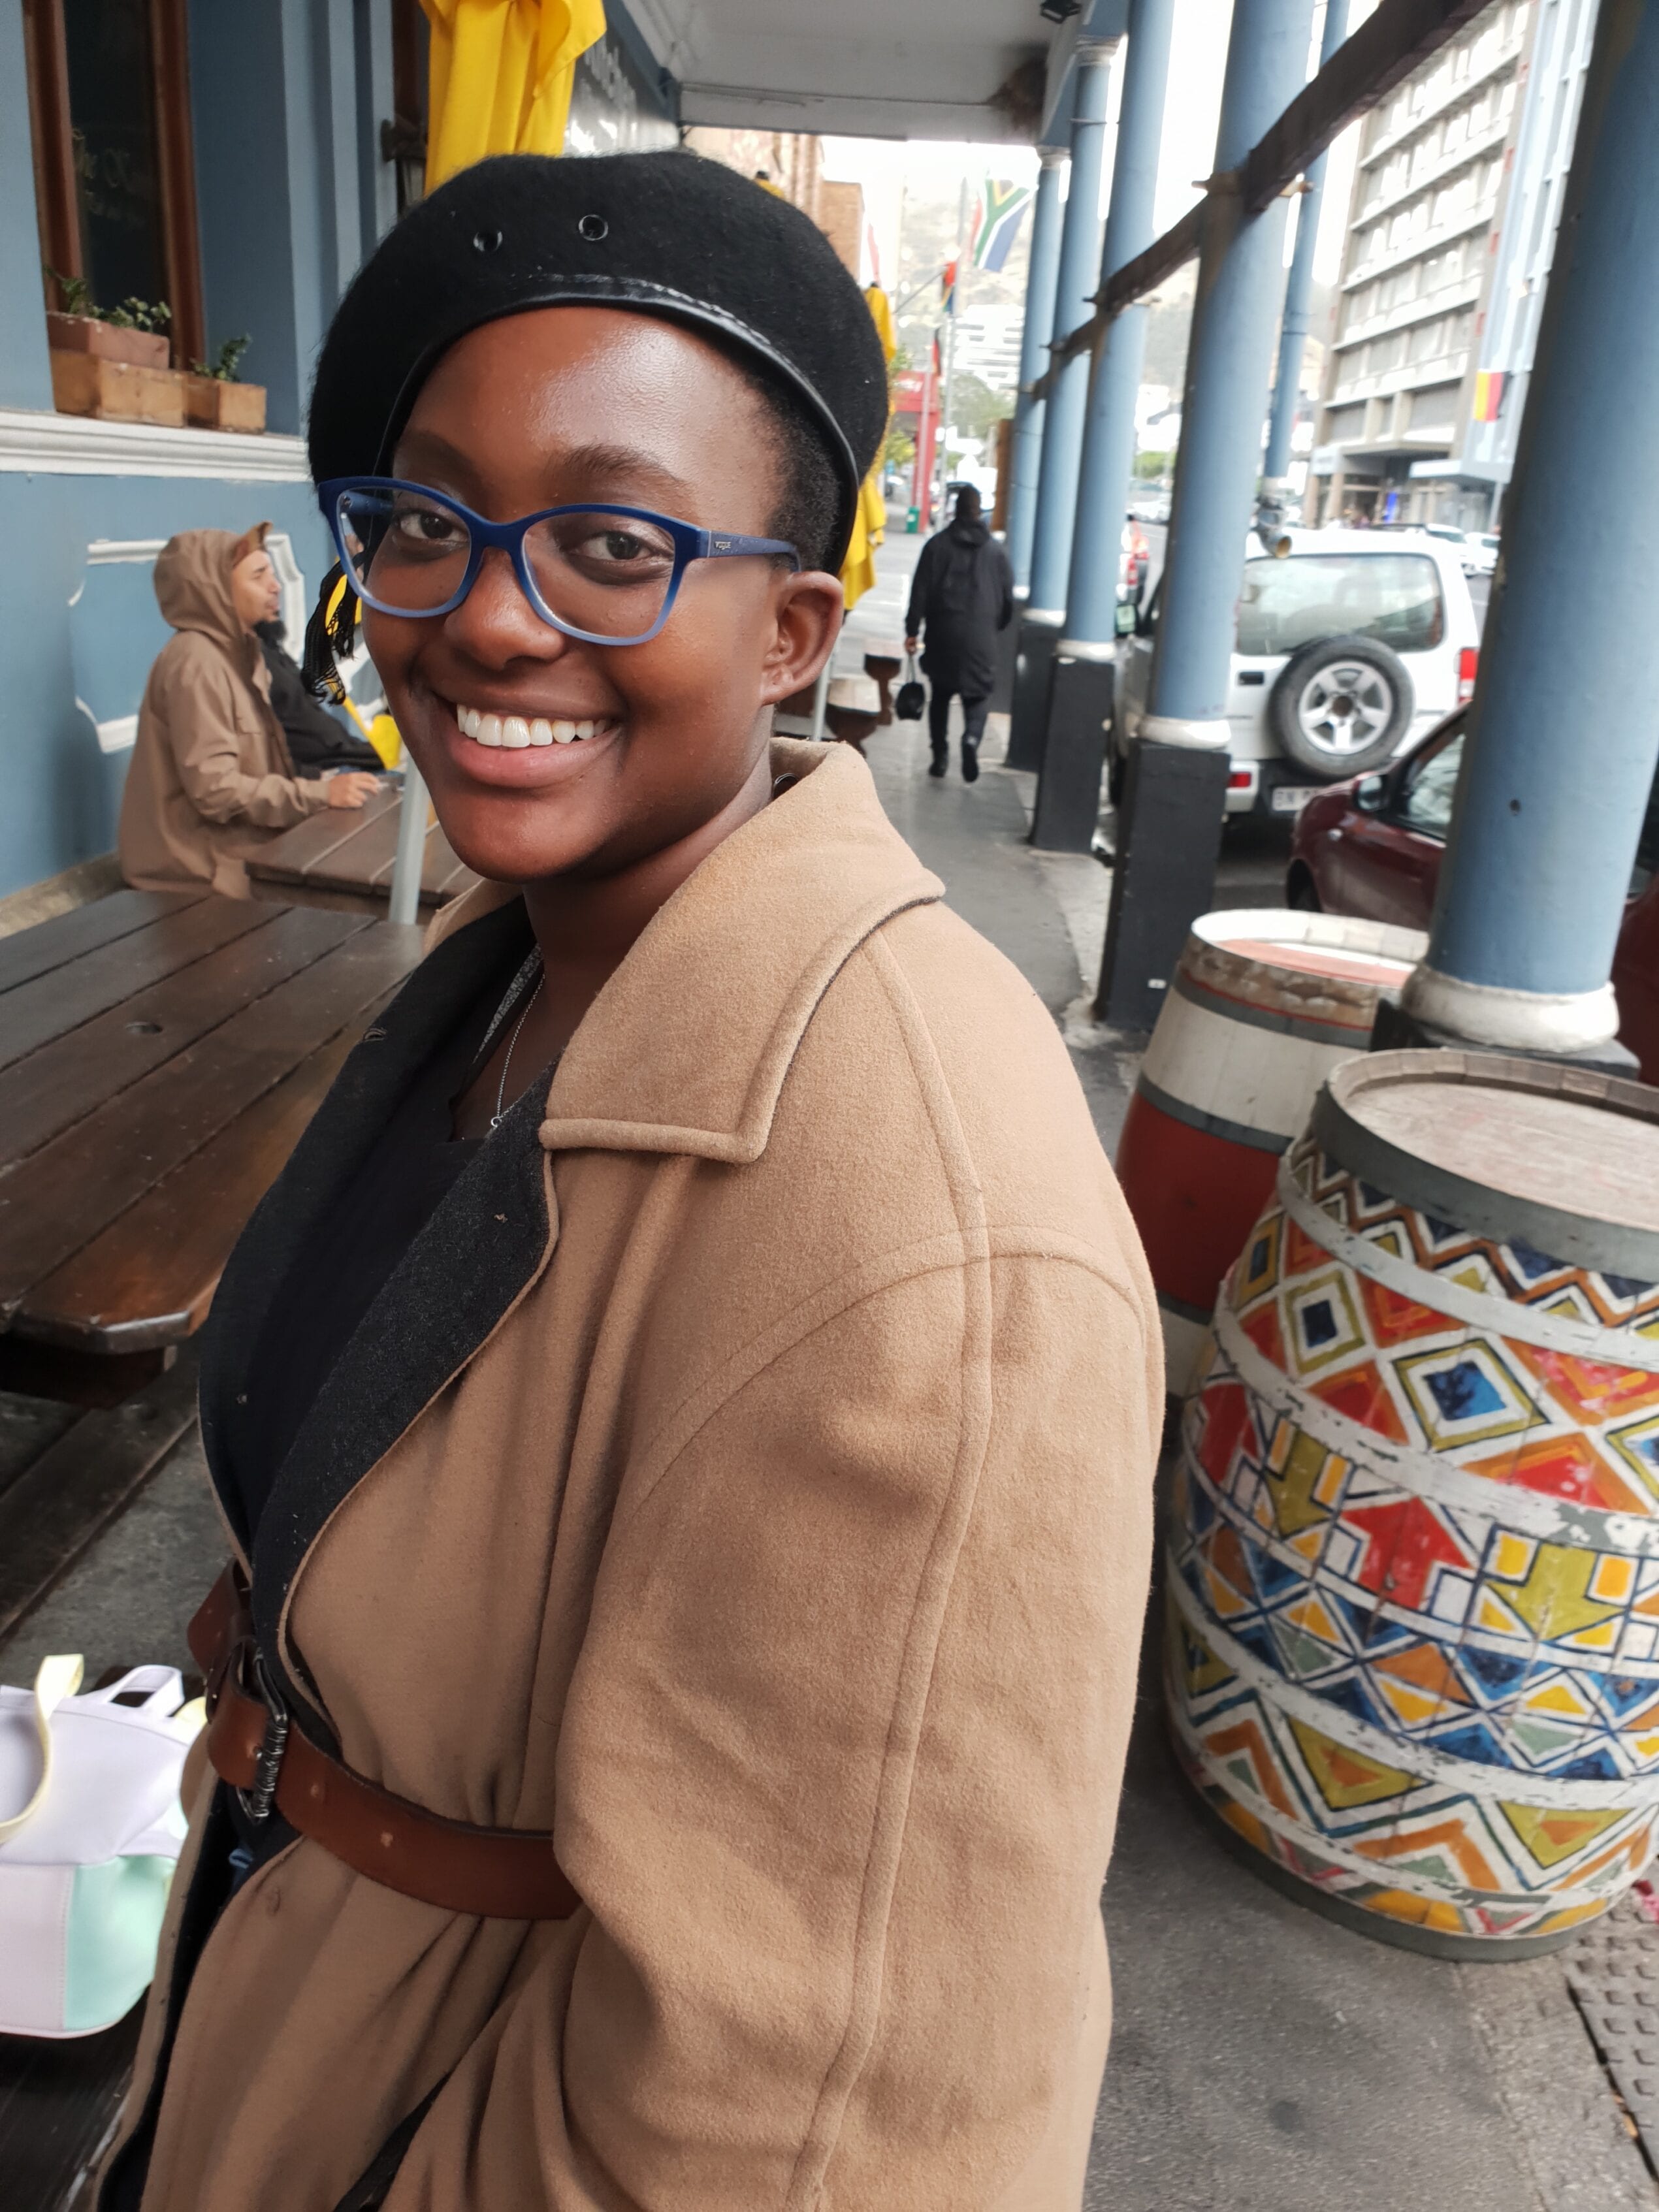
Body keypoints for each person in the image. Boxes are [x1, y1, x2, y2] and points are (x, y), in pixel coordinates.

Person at [99, 153, 1157, 2212]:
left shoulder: (931, 1241)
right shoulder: (517, 968)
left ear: (792, 632)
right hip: (292, 2000)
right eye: (425, 522)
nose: (488, 611)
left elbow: (819, 2134)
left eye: (611, 542)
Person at [118, 526, 379, 897]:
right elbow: (216, 791)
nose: (275, 586)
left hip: (238, 851)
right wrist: (320, 794)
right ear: (215, 590)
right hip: (201, 870)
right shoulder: (197, 663)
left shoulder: (239, 652)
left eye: (272, 573)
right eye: (258, 576)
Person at [903, 483, 1014, 784]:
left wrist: (912, 630)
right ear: (979, 512)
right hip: (981, 637)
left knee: (940, 696)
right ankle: (971, 739)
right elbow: (1008, 600)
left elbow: (920, 592)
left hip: (943, 634)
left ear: (956, 509)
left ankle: (940, 757)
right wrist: (995, 626)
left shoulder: (937, 546)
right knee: (978, 695)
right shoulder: (997, 553)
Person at [253, 616, 385, 777]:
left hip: (348, 756)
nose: (275, 591)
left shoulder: (270, 649)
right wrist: (316, 781)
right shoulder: (247, 662)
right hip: (327, 771)